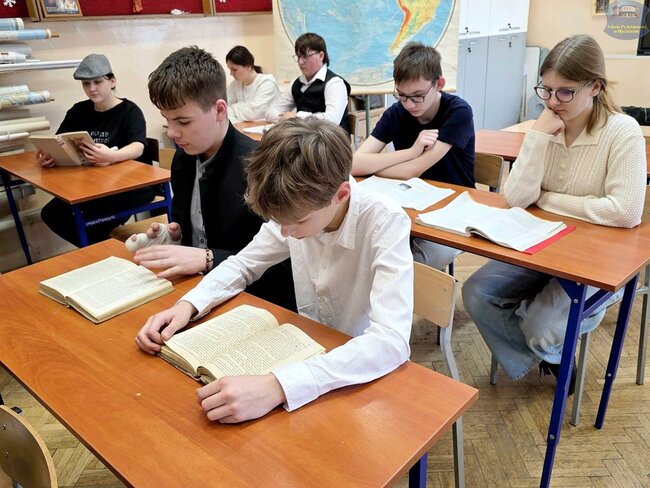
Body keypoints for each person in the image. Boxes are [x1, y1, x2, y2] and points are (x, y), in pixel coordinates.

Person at [135, 118, 414, 423]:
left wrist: (278, 386)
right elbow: (243, 264)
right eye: (279, 221)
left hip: (356, 370)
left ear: (341, 194)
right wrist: (188, 305)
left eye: (298, 222)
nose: (285, 232)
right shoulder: (297, 211)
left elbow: (390, 341)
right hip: (306, 349)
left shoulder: (385, 222)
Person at [461, 35, 646, 391]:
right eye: (545, 90)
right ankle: (551, 356)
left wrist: (546, 199)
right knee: (476, 293)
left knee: (540, 325)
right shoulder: (545, 127)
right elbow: (517, 198)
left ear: (595, 87)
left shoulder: (621, 132)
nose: (551, 102)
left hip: (597, 261)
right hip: (541, 246)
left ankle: (548, 344)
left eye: (565, 92)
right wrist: (536, 137)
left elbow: (625, 212)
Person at [130, 46, 295, 311]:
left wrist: (209, 258)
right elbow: (190, 234)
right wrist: (172, 239)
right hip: (194, 291)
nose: (172, 133)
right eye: (167, 120)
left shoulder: (260, 166)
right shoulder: (183, 159)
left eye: (183, 122)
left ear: (219, 110)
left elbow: (283, 265)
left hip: (249, 302)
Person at [351, 42, 475, 270]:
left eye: (417, 96)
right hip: (408, 202)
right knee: (365, 248)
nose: (409, 105)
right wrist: (411, 152)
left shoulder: (458, 112)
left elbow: (413, 170)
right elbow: (355, 164)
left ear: (439, 84)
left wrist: (377, 166)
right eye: (401, 95)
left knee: (415, 266)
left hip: (453, 208)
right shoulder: (396, 112)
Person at [37, 53, 155, 246]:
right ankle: (99, 250)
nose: (92, 88)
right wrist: (50, 156)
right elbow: (58, 141)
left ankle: (100, 251)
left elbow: (138, 147)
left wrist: (112, 155)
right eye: (86, 84)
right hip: (93, 185)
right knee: (52, 213)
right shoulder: (79, 111)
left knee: (92, 221)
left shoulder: (130, 111)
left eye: (98, 82)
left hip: (129, 187)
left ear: (112, 81)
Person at [265, 33, 351, 131]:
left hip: (329, 139)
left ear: (321, 56)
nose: (300, 62)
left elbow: (332, 120)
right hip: (303, 137)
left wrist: (297, 117)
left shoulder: (334, 83)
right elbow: (270, 112)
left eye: (305, 56)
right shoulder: (295, 84)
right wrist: (287, 119)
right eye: (298, 56)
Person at [225, 45, 280, 124]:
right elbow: (227, 110)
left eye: (234, 70)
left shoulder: (267, 83)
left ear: (248, 66)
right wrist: (242, 108)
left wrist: (235, 106)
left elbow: (253, 114)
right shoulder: (234, 84)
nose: (231, 74)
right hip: (244, 127)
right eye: (230, 69)